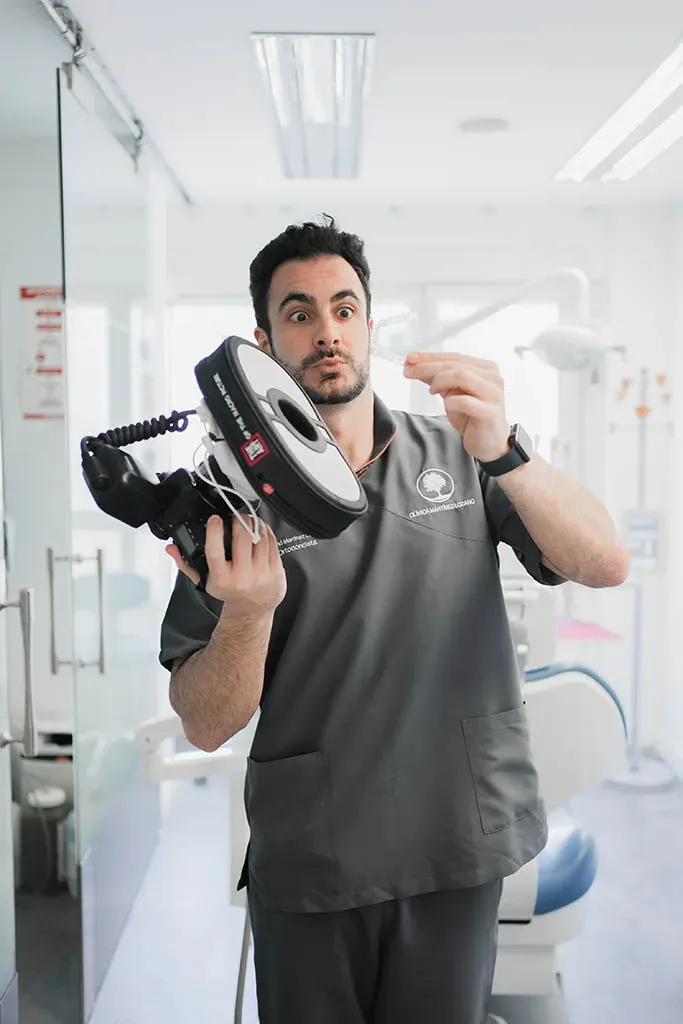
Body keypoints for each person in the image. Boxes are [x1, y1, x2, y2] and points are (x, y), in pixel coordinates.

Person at [159, 216, 630, 1024]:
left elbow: (604, 562)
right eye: (299, 313)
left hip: (456, 845)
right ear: (262, 345)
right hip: (314, 862)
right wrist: (248, 613)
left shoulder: (464, 453)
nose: (327, 331)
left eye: (344, 309)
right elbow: (204, 724)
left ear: (370, 328)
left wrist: (506, 452)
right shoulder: (232, 502)